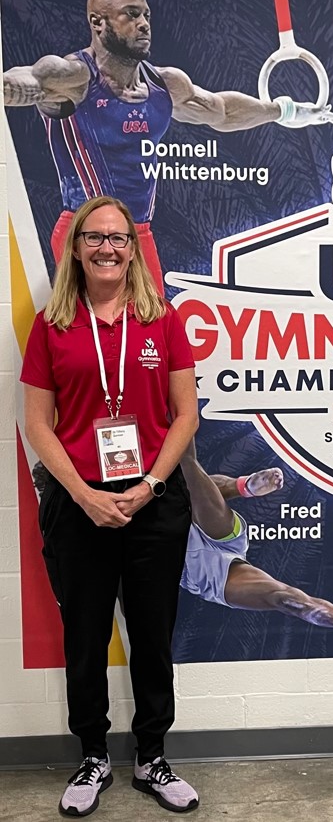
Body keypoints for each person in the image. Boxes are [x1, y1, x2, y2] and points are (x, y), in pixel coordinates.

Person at [21, 195, 200, 815]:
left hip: (153, 499)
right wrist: (84, 494)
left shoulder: (162, 320)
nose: (106, 247)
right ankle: (93, 756)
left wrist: (149, 485)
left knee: (152, 635)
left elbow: (185, 415)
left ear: (132, 249)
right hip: (79, 502)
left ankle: (151, 756)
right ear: (76, 248)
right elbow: (37, 423)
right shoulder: (53, 325)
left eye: (118, 237)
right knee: (86, 635)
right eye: (94, 237)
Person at [3, 0, 333, 292]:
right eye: (131, 14)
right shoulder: (73, 78)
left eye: (146, 15)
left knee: (155, 330)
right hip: (87, 234)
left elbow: (223, 111)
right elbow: (29, 78)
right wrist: (14, 87)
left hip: (138, 233)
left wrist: (286, 110)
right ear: (97, 23)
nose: (143, 24)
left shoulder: (163, 84)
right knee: (102, 332)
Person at [180, 440, 333, 638]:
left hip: (208, 530)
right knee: (285, 600)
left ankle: (245, 486)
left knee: (188, 469)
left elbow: (195, 480)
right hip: (200, 572)